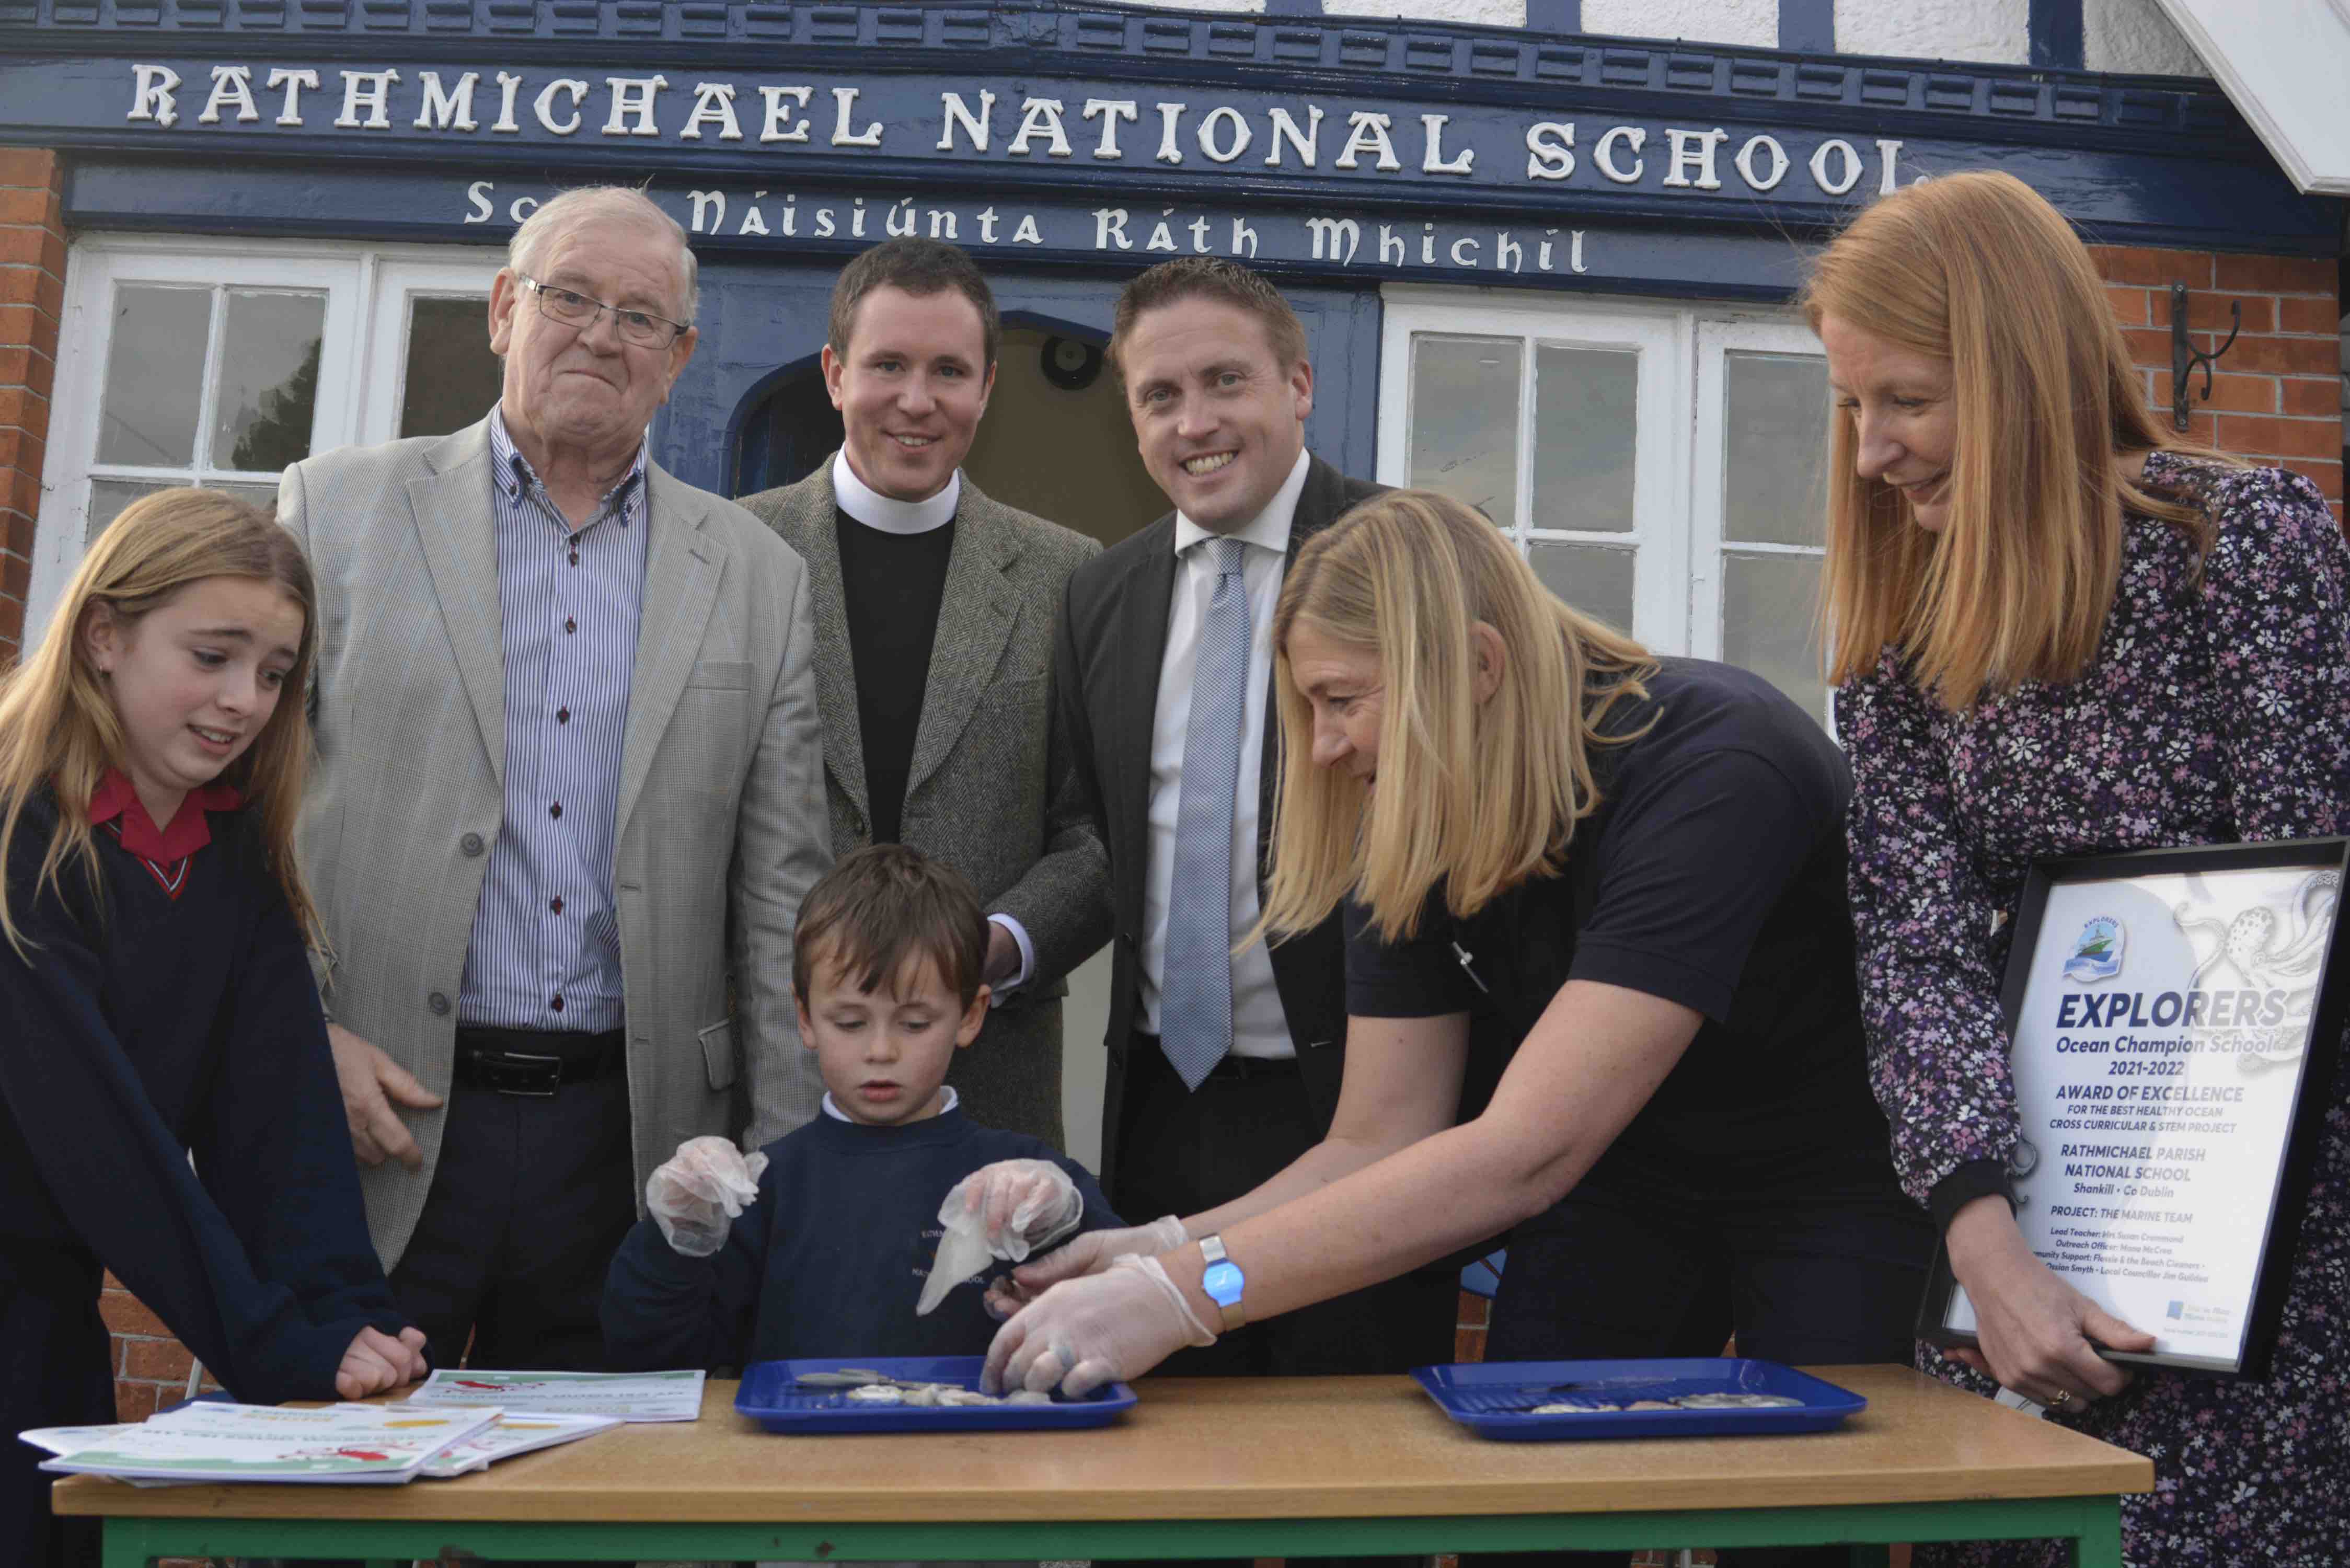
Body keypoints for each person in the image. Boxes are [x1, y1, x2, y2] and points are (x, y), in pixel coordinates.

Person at [1002, 490, 1931, 1566]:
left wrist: (1187, 1298)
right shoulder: (1409, 813)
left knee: (1800, 1526)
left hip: (1826, 1184)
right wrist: (1170, 1247)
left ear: (1478, 669)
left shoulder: (1716, 761)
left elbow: (1526, 1152)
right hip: (1624, 1186)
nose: (1323, 748)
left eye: (1342, 701)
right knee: (1520, 1517)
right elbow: (1374, 1140)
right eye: (1309, 710)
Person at [1808, 170, 2350, 1566]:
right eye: (1851, 405)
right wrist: (1988, 1252)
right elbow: (1913, 947)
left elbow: (2304, 932)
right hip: (2014, 1273)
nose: (1871, 452)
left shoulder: (2243, 548)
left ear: (2022, 370)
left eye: (1908, 402)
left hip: (2262, 1278)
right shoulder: (1897, 645)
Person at [277, 185, 831, 1377]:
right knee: (312, 1489)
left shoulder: (758, 574)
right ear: (500, 310)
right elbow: (241, 814)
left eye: (641, 316)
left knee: (580, 1508)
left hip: (629, 1144)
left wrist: (787, 1172)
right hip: (375, 1119)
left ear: (679, 358)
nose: (601, 332)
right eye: (569, 296)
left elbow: (785, 897)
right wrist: (297, 1026)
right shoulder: (331, 511)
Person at [1049, 258, 1460, 1404]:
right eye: (1159, 396)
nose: (1195, 423)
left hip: (1363, 1113)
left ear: (1298, 384)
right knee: (1168, 1477)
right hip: (1160, 1118)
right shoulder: (1100, 597)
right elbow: (1102, 840)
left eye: (1225, 382)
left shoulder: (1413, 557)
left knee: (1348, 1468)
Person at [0, 490, 428, 1567]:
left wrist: (352, 1327)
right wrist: (282, 1346)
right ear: (104, 635)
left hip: (45, 1335)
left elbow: (279, 1118)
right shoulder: (17, 833)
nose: (245, 700)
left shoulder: (230, 855)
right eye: (213, 656)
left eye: (275, 673)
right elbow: (100, 1141)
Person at [739, 238, 1108, 1149]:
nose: (916, 399)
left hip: (995, 1086)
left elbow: (1099, 831)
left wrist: (988, 950)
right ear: (834, 374)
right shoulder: (734, 552)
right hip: (771, 1077)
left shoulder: (1069, 575)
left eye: (949, 371)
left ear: (987, 388)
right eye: (888, 365)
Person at [604, 844, 1123, 1370]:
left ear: (970, 1014)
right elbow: (650, 1354)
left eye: (914, 1024)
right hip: (800, 1450)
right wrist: (674, 1237)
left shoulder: (1029, 1179)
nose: (880, 1051)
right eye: (849, 1023)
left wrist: (1061, 1225)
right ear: (805, 1017)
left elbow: (1123, 1312)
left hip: (977, 1447)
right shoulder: (761, 1190)